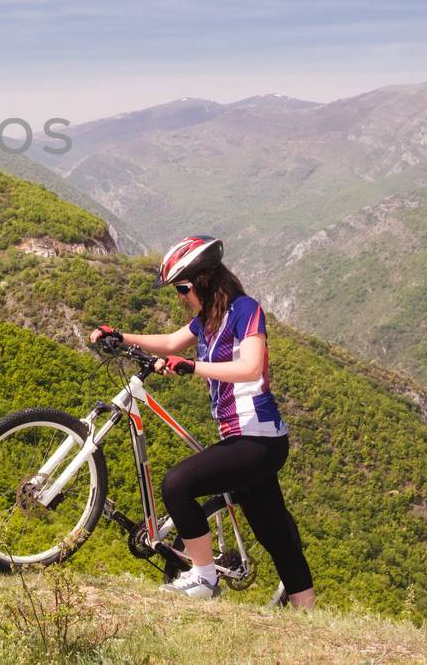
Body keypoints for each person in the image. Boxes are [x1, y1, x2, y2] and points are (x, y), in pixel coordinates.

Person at [89, 235, 316, 607]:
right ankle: (308, 615)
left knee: (177, 484)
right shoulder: (207, 320)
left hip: (258, 440)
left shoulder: (245, 310)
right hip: (242, 441)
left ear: (204, 280)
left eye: (182, 287)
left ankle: (205, 578)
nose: (180, 296)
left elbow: (250, 367)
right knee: (275, 534)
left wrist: (193, 367)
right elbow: (170, 341)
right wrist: (121, 334)